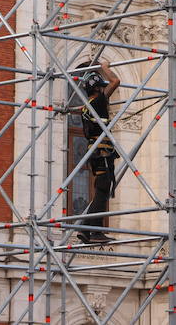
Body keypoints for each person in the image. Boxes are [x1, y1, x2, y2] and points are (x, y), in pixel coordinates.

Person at [75, 58, 120, 244]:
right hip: (102, 153)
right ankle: (91, 230)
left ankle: (91, 229)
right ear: (97, 88)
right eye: (101, 87)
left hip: (96, 153)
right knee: (102, 189)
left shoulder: (86, 107)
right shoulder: (99, 101)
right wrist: (105, 68)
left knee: (101, 188)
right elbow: (116, 82)